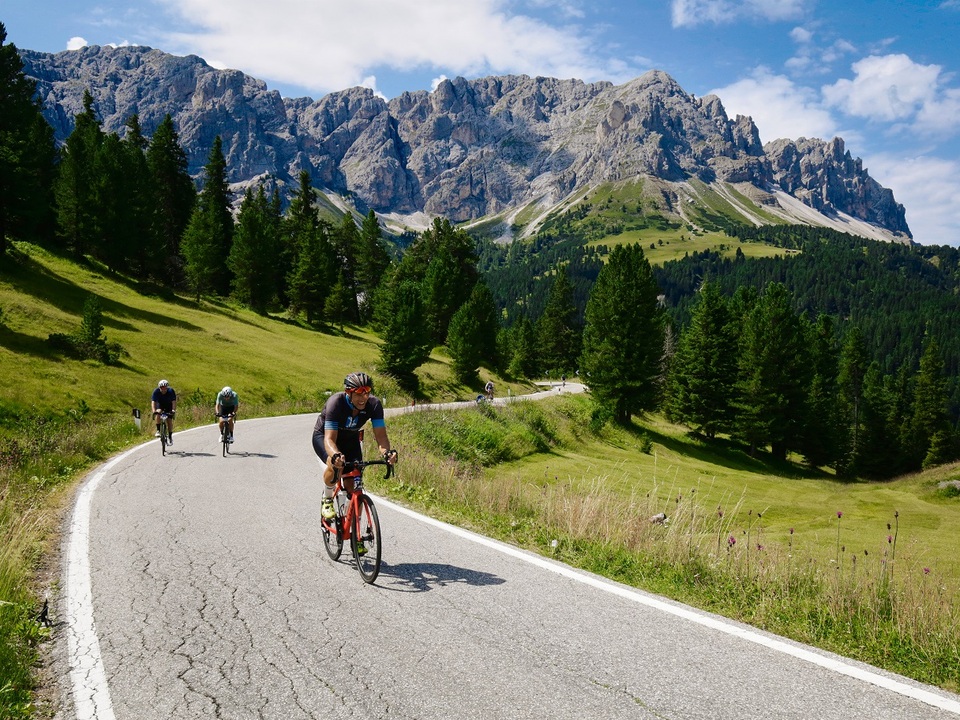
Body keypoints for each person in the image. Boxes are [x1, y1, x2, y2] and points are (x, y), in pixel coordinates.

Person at [312, 372, 397, 523]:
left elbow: (381, 437)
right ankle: (327, 499)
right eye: (358, 393)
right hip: (325, 437)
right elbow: (330, 439)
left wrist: (387, 453)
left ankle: (355, 533)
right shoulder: (336, 403)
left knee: (355, 487)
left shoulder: (374, 405)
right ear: (348, 392)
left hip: (351, 440)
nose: (364, 398)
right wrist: (335, 455)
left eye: (367, 392)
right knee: (335, 465)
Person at [151, 379, 177, 445]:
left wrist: (173, 410)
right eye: (162, 388)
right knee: (158, 413)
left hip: (169, 406)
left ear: (167, 387)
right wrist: (154, 411)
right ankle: (158, 430)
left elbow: (173, 402)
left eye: (165, 388)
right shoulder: (156, 392)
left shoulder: (171, 391)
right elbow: (153, 402)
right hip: (160, 405)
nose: (163, 389)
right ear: (159, 387)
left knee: (169, 420)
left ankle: (170, 436)